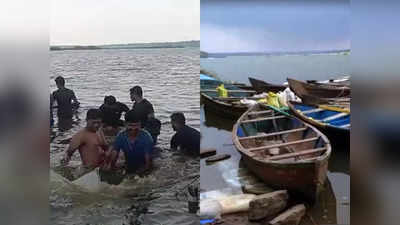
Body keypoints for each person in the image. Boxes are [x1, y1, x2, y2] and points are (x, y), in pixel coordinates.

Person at [105, 110, 154, 174]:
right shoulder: (121, 135)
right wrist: (112, 167)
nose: (133, 129)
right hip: (128, 163)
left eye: (136, 126)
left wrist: (145, 169)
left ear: (140, 124)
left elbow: (148, 160)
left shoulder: (147, 137)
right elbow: (115, 153)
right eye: (130, 125)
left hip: (143, 164)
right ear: (125, 124)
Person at [60, 109, 107, 175]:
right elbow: (68, 154)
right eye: (93, 122)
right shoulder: (80, 136)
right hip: (89, 171)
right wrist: (64, 172)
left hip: (101, 168)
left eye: (99, 123)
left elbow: (106, 148)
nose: (96, 125)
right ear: (87, 120)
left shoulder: (99, 131)